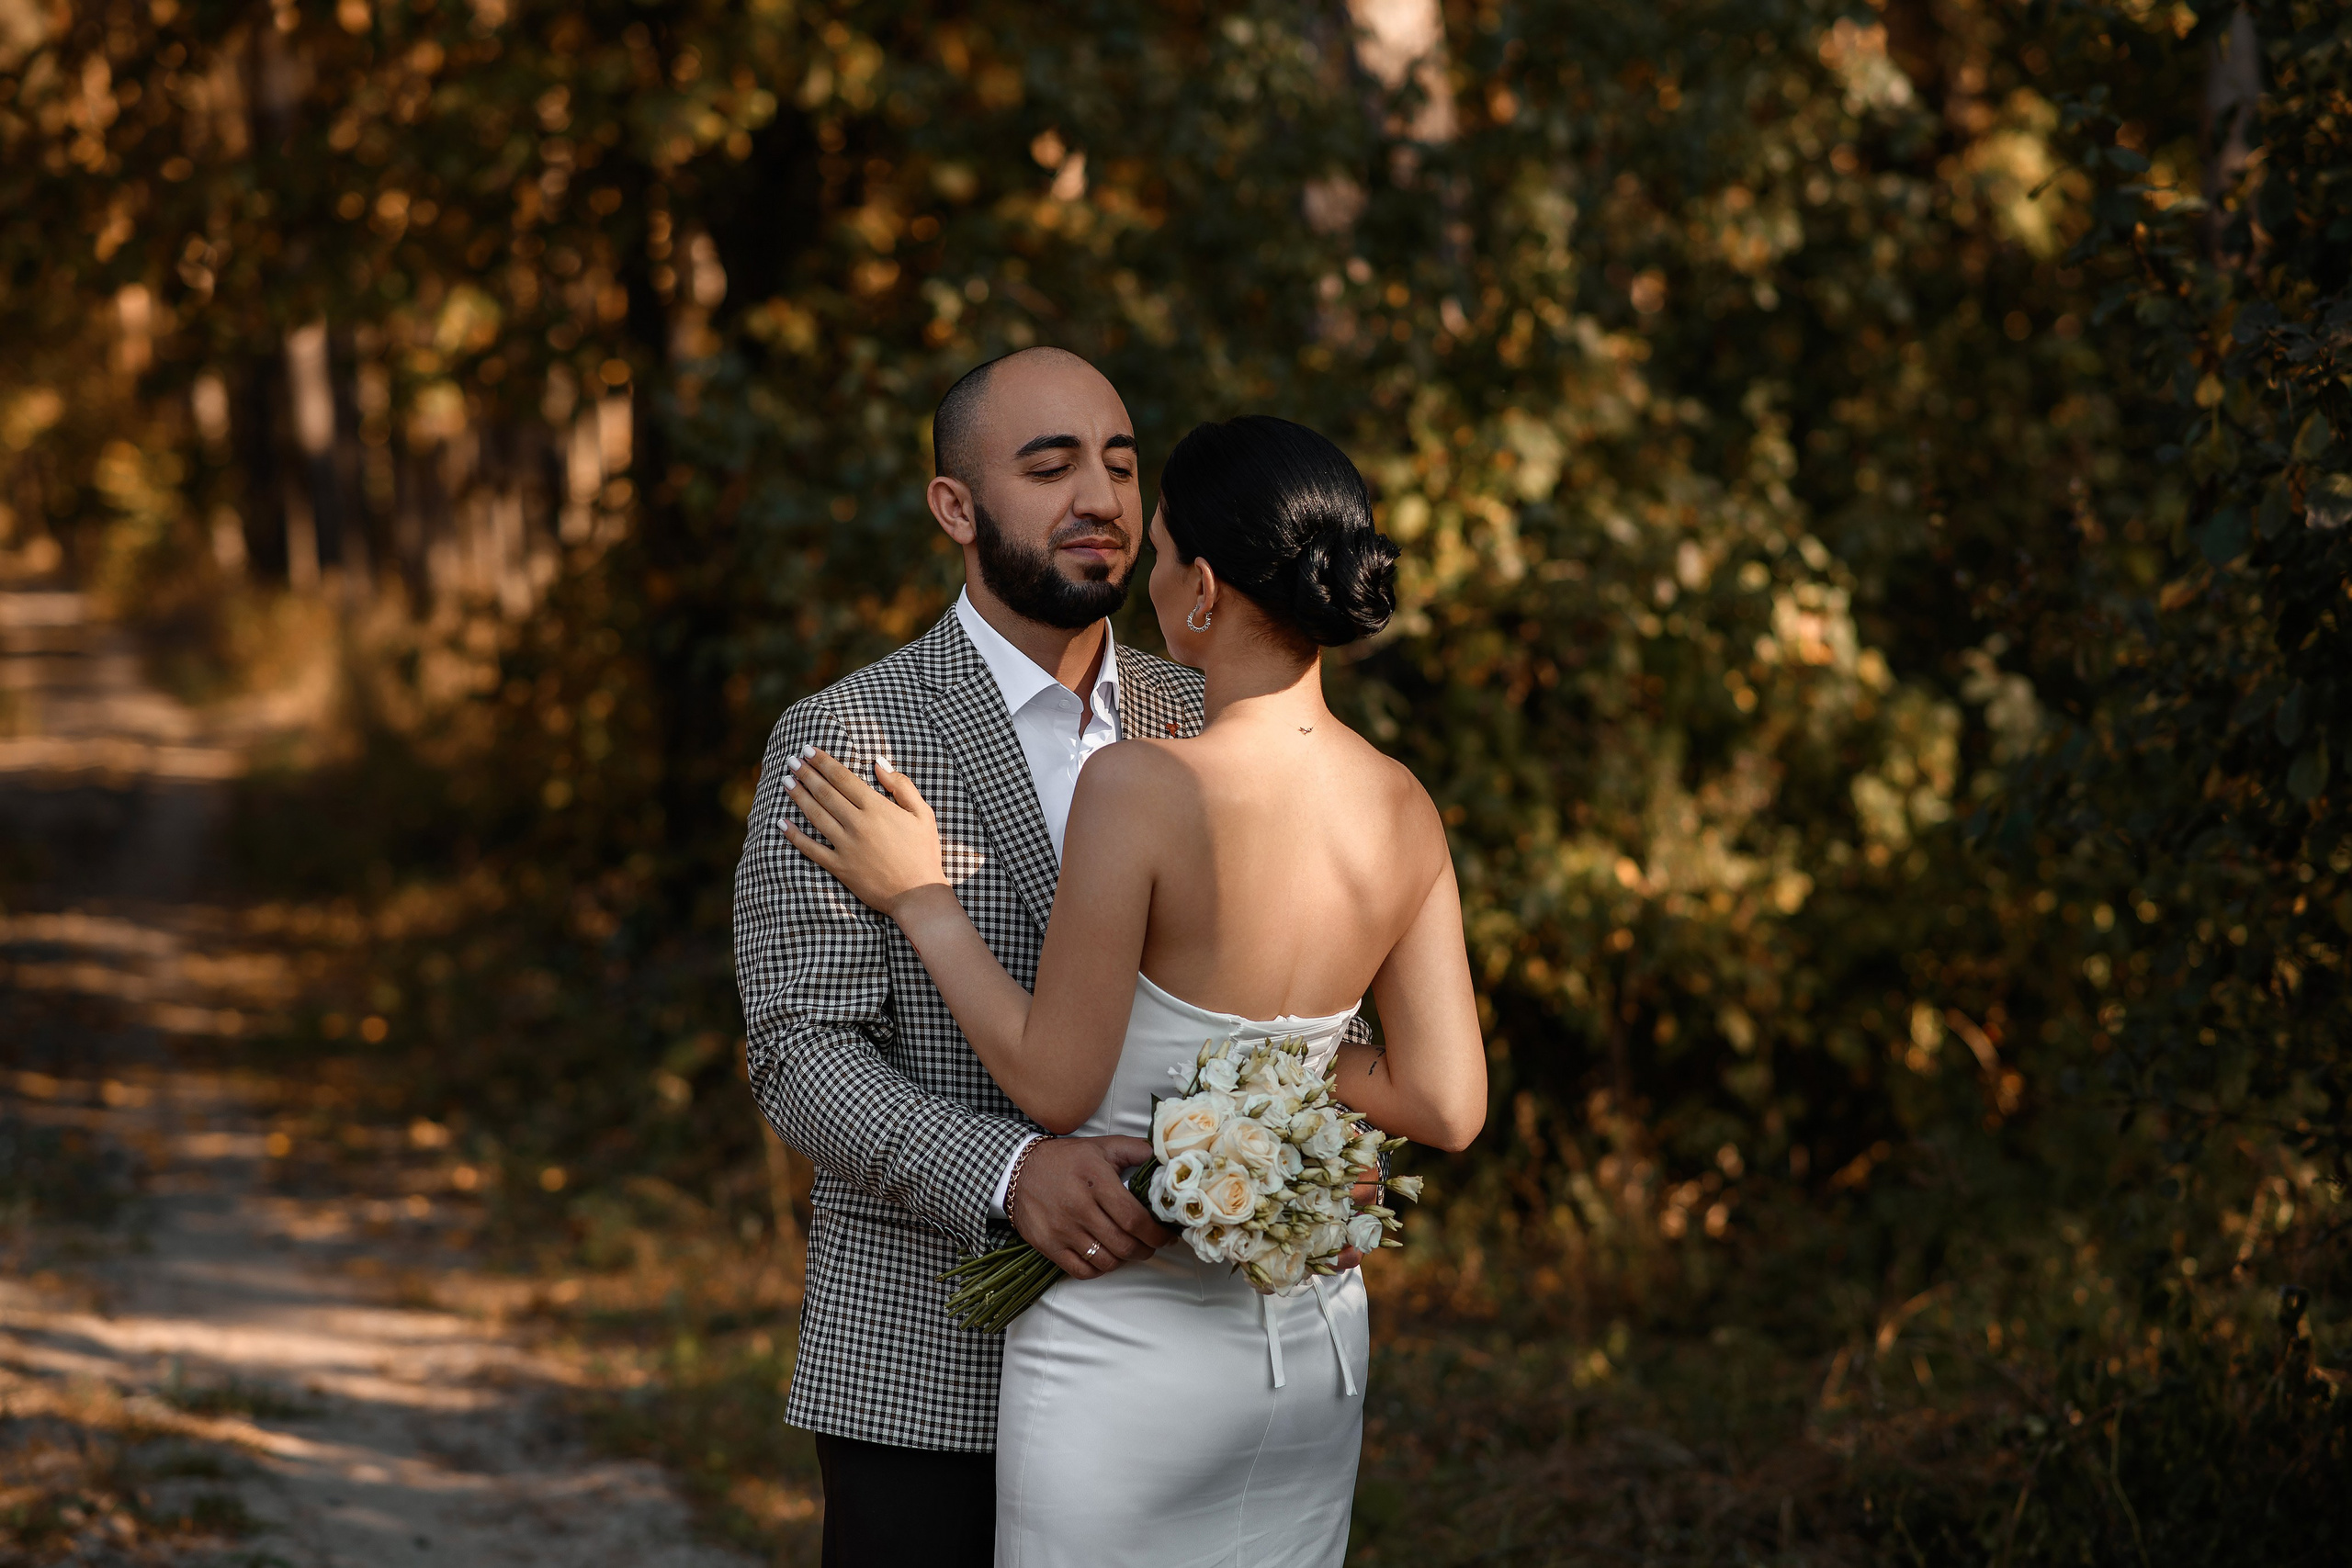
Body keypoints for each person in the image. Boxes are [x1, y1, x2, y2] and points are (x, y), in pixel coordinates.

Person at [775, 412, 1487, 1565]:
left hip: (1128, 1358)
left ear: (1201, 587)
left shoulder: (1145, 777)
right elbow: (1446, 1104)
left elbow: (1059, 1086)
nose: (1128, 548)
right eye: (1058, 465)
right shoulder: (1403, 801)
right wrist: (1274, 1080)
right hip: (1303, 1354)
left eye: (1152, 542)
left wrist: (923, 901)